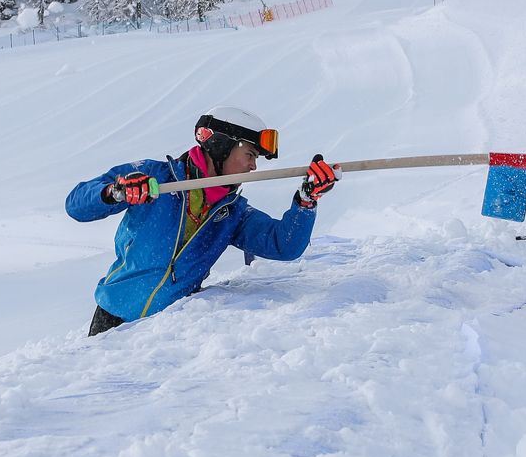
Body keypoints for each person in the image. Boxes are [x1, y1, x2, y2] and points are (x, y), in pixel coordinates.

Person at [66, 107, 336, 335]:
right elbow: (76, 204)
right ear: (220, 145)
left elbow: (284, 245)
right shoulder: (155, 177)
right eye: (250, 155)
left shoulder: (231, 213)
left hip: (164, 332)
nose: (254, 167)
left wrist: (306, 201)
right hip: (113, 318)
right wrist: (115, 191)